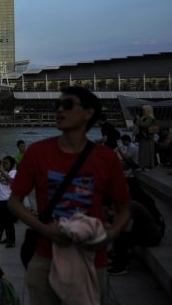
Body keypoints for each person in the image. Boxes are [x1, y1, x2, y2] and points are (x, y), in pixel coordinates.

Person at [8, 86, 130, 305]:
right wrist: (45, 229)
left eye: (67, 105)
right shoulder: (38, 152)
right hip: (45, 254)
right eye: (57, 106)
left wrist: (110, 233)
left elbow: (123, 207)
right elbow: (15, 201)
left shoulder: (106, 159)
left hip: (92, 257)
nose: (59, 111)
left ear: (88, 113)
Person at [108, 200, 163, 275]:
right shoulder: (124, 206)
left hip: (152, 236)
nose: (112, 210)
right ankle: (118, 261)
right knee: (120, 235)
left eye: (111, 207)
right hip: (143, 232)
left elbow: (127, 228)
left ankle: (122, 266)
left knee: (122, 236)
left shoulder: (128, 207)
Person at [0, 156, 17, 248]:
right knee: (3, 221)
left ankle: (11, 240)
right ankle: (7, 237)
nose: (4, 164)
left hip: (7, 200)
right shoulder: (4, 172)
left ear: (11, 164)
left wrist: (2, 172)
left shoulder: (13, 172)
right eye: (3, 163)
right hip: (0, 200)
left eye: (6, 163)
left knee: (9, 222)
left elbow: (12, 182)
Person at [133, 105, 158, 170]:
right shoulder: (144, 117)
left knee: (147, 153)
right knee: (142, 152)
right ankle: (142, 166)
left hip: (148, 138)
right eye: (142, 110)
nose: (143, 111)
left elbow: (144, 125)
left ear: (148, 110)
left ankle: (147, 166)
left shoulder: (150, 117)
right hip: (143, 137)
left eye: (144, 110)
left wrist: (138, 119)